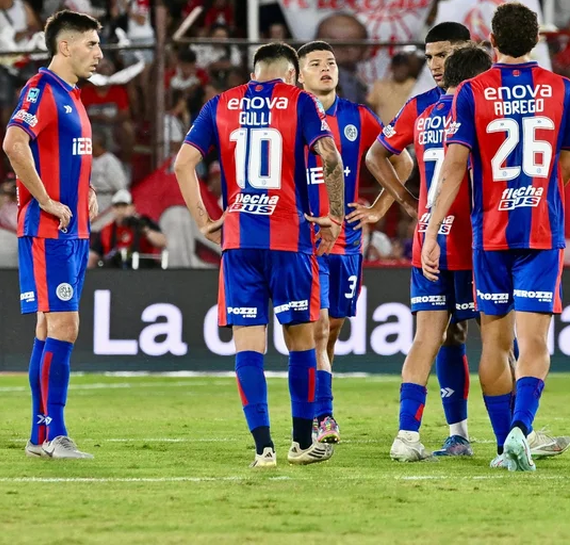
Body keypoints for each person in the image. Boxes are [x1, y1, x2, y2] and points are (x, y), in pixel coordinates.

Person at [423, 2, 570, 472]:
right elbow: (568, 164)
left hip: (490, 233)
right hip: (540, 229)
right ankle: (521, 429)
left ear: (491, 41)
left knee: (494, 342)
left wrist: (431, 232)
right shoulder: (562, 89)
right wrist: (539, 195)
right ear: (536, 40)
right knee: (533, 342)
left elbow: (453, 167)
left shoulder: (472, 90)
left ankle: (502, 445)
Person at [173, 42, 345, 469]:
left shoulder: (220, 104)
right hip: (289, 238)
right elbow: (331, 158)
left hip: (239, 240)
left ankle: (263, 448)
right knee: (301, 342)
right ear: (291, 75)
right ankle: (300, 443)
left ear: (253, 73)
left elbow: (182, 164)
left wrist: (203, 220)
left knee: (248, 347)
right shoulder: (300, 101)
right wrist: (335, 217)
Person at [371, 45, 489, 461]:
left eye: (441, 57)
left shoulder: (424, 112)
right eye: (430, 56)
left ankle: (407, 435)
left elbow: (378, 154)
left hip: (428, 237)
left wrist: (411, 206)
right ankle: (516, 433)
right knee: (498, 340)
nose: (434, 64)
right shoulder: (480, 108)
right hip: (472, 240)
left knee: (429, 338)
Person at [297, 41, 413, 444]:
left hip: (347, 241)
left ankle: (318, 403)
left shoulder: (357, 117)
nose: (325, 68)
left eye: (330, 62)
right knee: (318, 327)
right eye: (315, 63)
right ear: (300, 75)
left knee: (332, 330)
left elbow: (402, 161)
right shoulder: (290, 116)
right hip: (306, 240)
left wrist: (381, 207)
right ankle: (323, 415)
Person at [1, 10, 103, 460]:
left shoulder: (72, 95)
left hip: (72, 230)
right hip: (50, 230)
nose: (99, 53)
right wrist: (44, 199)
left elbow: (62, 154)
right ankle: (55, 434)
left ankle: (38, 436)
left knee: (49, 327)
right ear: (65, 46)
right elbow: (14, 143)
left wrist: (87, 188)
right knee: (65, 325)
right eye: (91, 44)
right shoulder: (42, 89)